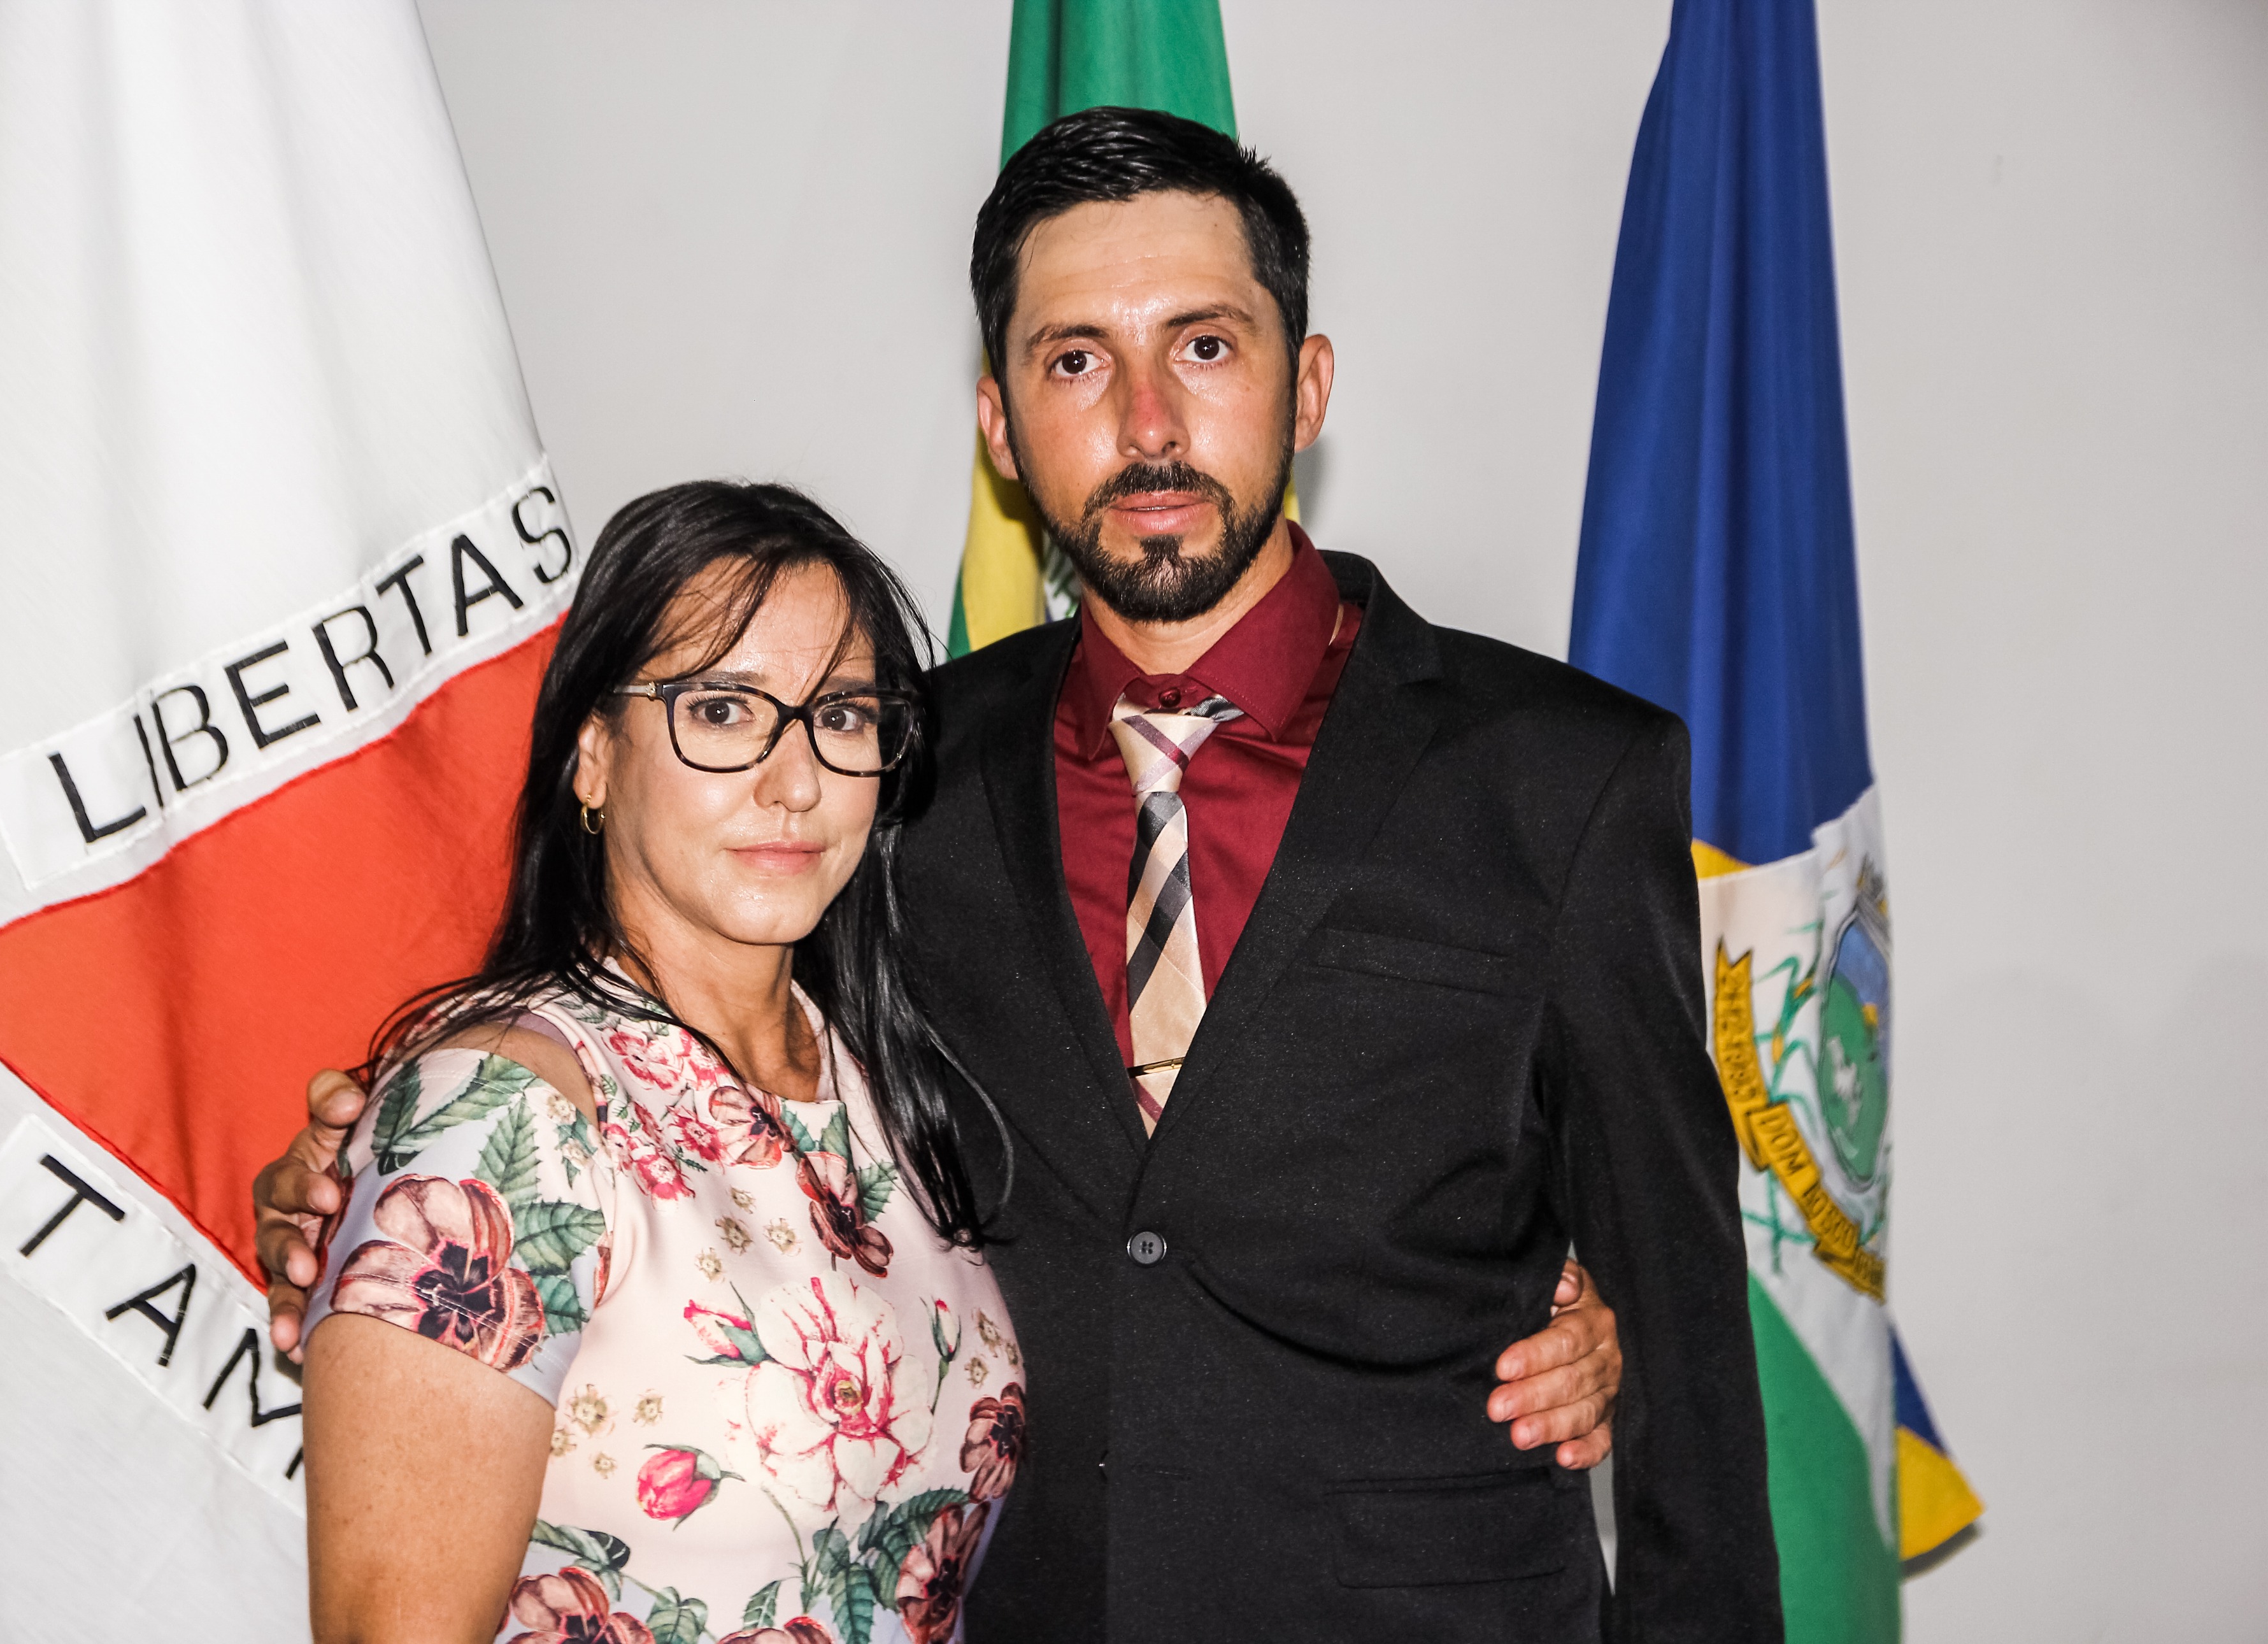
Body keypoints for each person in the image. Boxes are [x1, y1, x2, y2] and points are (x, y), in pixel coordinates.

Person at [260, 104, 1773, 1640]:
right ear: (999, 423)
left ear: (1307, 385)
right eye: (1074, 361)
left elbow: (1687, 1337)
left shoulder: (1559, 778)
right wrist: (361, 1187)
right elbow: (657, 1082)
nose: (1146, 421)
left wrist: (1606, 1326)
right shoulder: (889, 770)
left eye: (1203, 346)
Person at [297, 483, 1027, 1644]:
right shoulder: (502, 1115)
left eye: (843, 716)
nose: (797, 781)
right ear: (593, 755)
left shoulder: (881, 1076)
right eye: (724, 710)